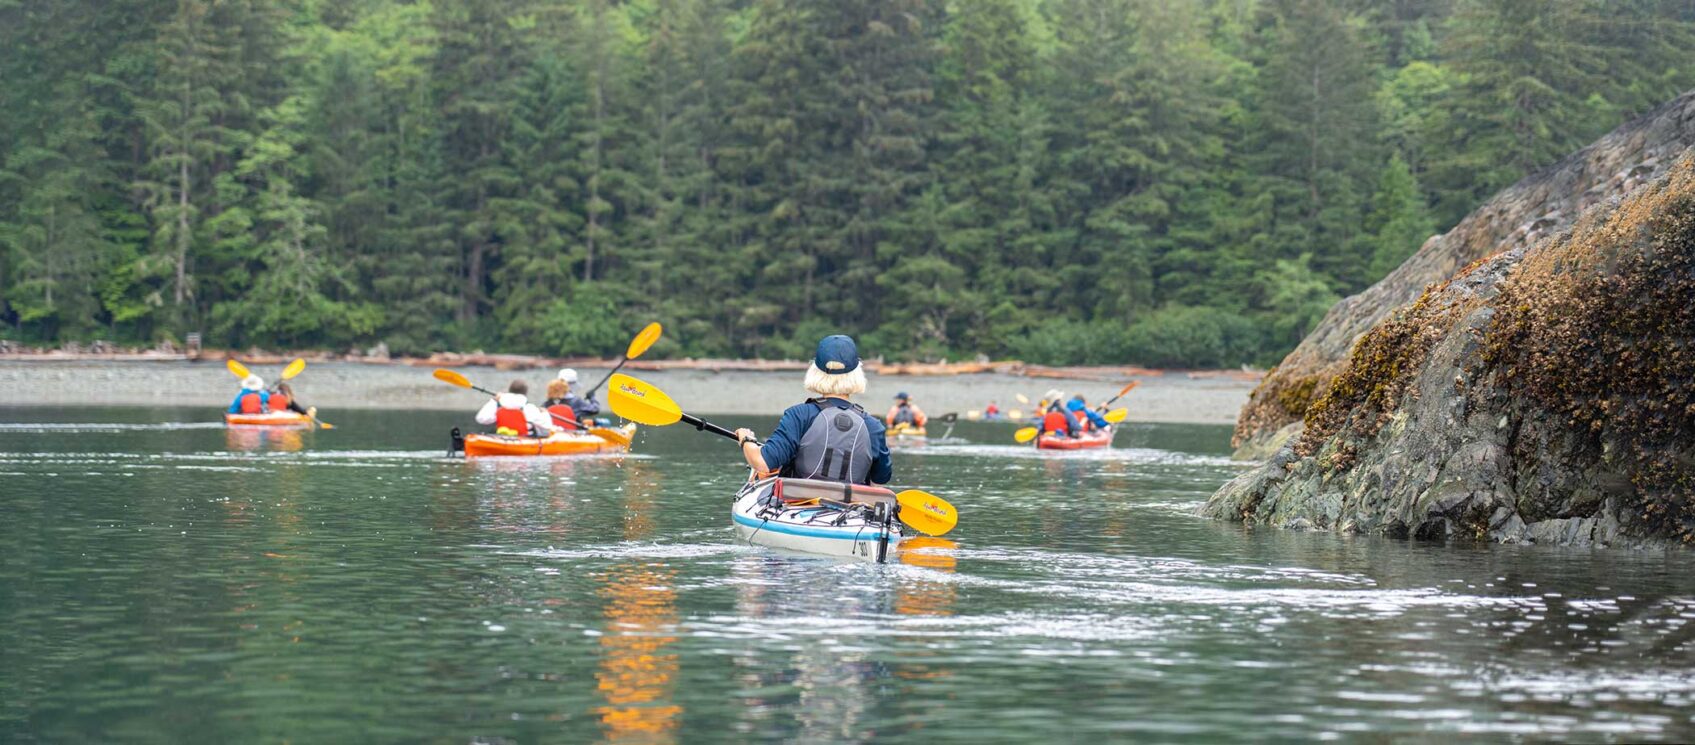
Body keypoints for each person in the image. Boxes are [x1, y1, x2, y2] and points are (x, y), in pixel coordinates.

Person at [735, 335, 892, 485]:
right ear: (857, 374)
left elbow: (762, 463)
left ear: (815, 371)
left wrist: (746, 439)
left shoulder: (799, 415)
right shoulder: (873, 426)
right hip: (852, 507)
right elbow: (878, 482)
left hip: (798, 504)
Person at [475, 380, 556, 437]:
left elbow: (481, 419)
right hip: (523, 440)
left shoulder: (498, 405)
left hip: (502, 438)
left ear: (509, 390)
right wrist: (545, 413)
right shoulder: (529, 408)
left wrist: (493, 400)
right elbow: (547, 426)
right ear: (525, 392)